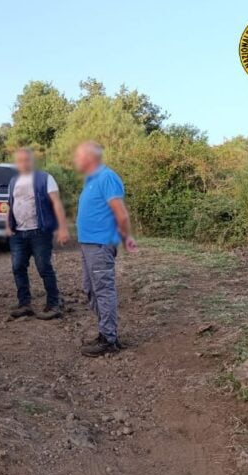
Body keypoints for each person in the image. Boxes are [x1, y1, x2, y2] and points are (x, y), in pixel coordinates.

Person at [74, 141, 138, 357]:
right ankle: (105, 332)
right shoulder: (90, 180)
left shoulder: (107, 177)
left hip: (101, 245)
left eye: (80, 156)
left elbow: (121, 214)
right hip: (88, 244)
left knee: (103, 290)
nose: (77, 160)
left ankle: (109, 339)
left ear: (91, 158)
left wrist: (126, 237)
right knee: (90, 289)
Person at [6, 148, 70, 320]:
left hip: (39, 232)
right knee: (18, 267)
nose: (23, 163)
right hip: (18, 233)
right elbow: (11, 205)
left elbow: (56, 203)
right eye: (19, 160)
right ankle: (24, 304)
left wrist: (62, 228)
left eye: (26, 159)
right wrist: (8, 226)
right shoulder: (13, 181)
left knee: (44, 267)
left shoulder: (45, 178)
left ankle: (53, 304)